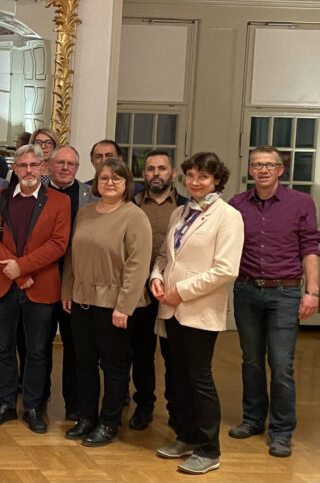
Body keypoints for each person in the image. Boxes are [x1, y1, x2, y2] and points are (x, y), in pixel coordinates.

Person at [150, 151, 243, 475]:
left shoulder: (228, 216)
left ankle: (208, 449)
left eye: (203, 177)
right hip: (170, 309)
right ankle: (185, 436)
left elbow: (226, 269)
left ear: (217, 179)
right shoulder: (180, 213)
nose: (195, 182)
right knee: (176, 377)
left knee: (199, 379)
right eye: (190, 176)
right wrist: (156, 279)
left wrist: (182, 291)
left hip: (199, 311)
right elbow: (165, 256)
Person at [228, 145, 319, 458]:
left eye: (269, 165)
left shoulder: (301, 203)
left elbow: (310, 248)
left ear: (282, 169)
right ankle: (253, 419)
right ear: (250, 170)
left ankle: (281, 432)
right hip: (247, 290)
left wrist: (313, 291)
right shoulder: (237, 204)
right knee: (251, 360)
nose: (263, 170)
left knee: (281, 365)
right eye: (257, 165)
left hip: (286, 293)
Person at [61, 158, 152, 447]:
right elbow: (72, 256)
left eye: (116, 178)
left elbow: (138, 266)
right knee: (84, 362)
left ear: (127, 184)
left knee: (114, 366)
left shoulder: (134, 216)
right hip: (81, 298)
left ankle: (109, 422)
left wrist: (124, 307)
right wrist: (67, 291)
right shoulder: (85, 212)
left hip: (115, 304)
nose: (109, 183)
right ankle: (87, 417)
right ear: (96, 183)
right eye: (104, 178)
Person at [0, 144, 70, 434]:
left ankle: (32, 406)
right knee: (4, 348)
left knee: (38, 350)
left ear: (43, 169)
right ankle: (6, 402)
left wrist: (23, 267)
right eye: (22, 165)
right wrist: (18, 275)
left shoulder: (59, 202)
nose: (28, 170)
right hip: (6, 285)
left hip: (42, 287)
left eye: (34, 165)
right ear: (14, 169)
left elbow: (58, 244)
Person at [129, 149, 187, 431]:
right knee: (141, 352)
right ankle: (144, 405)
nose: (156, 174)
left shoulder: (187, 208)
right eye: (150, 169)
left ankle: (176, 409)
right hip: (138, 289)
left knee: (173, 354)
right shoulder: (133, 203)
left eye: (162, 169)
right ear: (144, 174)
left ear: (173, 174)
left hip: (172, 291)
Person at [42, 144, 96, 419]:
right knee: (39, 345)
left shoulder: (90, 197)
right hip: (41, 279)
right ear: (50, 165)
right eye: (60, 163)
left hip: (76, 283)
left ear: (77, 168)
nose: (65, 168)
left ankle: (74, 404)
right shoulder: (37, 192)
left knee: (76, 347)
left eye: (70, 164)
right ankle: (39, 399)